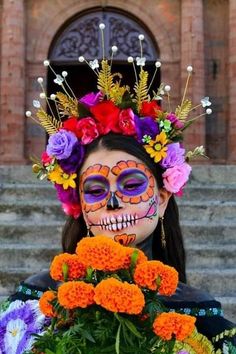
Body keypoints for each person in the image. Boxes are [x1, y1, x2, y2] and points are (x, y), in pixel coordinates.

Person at [1, 29, 235, 352]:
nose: (113, 202)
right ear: (79, 204)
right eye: (95, 189)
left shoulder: (199, 315)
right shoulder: (34, 307)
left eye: (132, 185)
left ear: (163, 198)